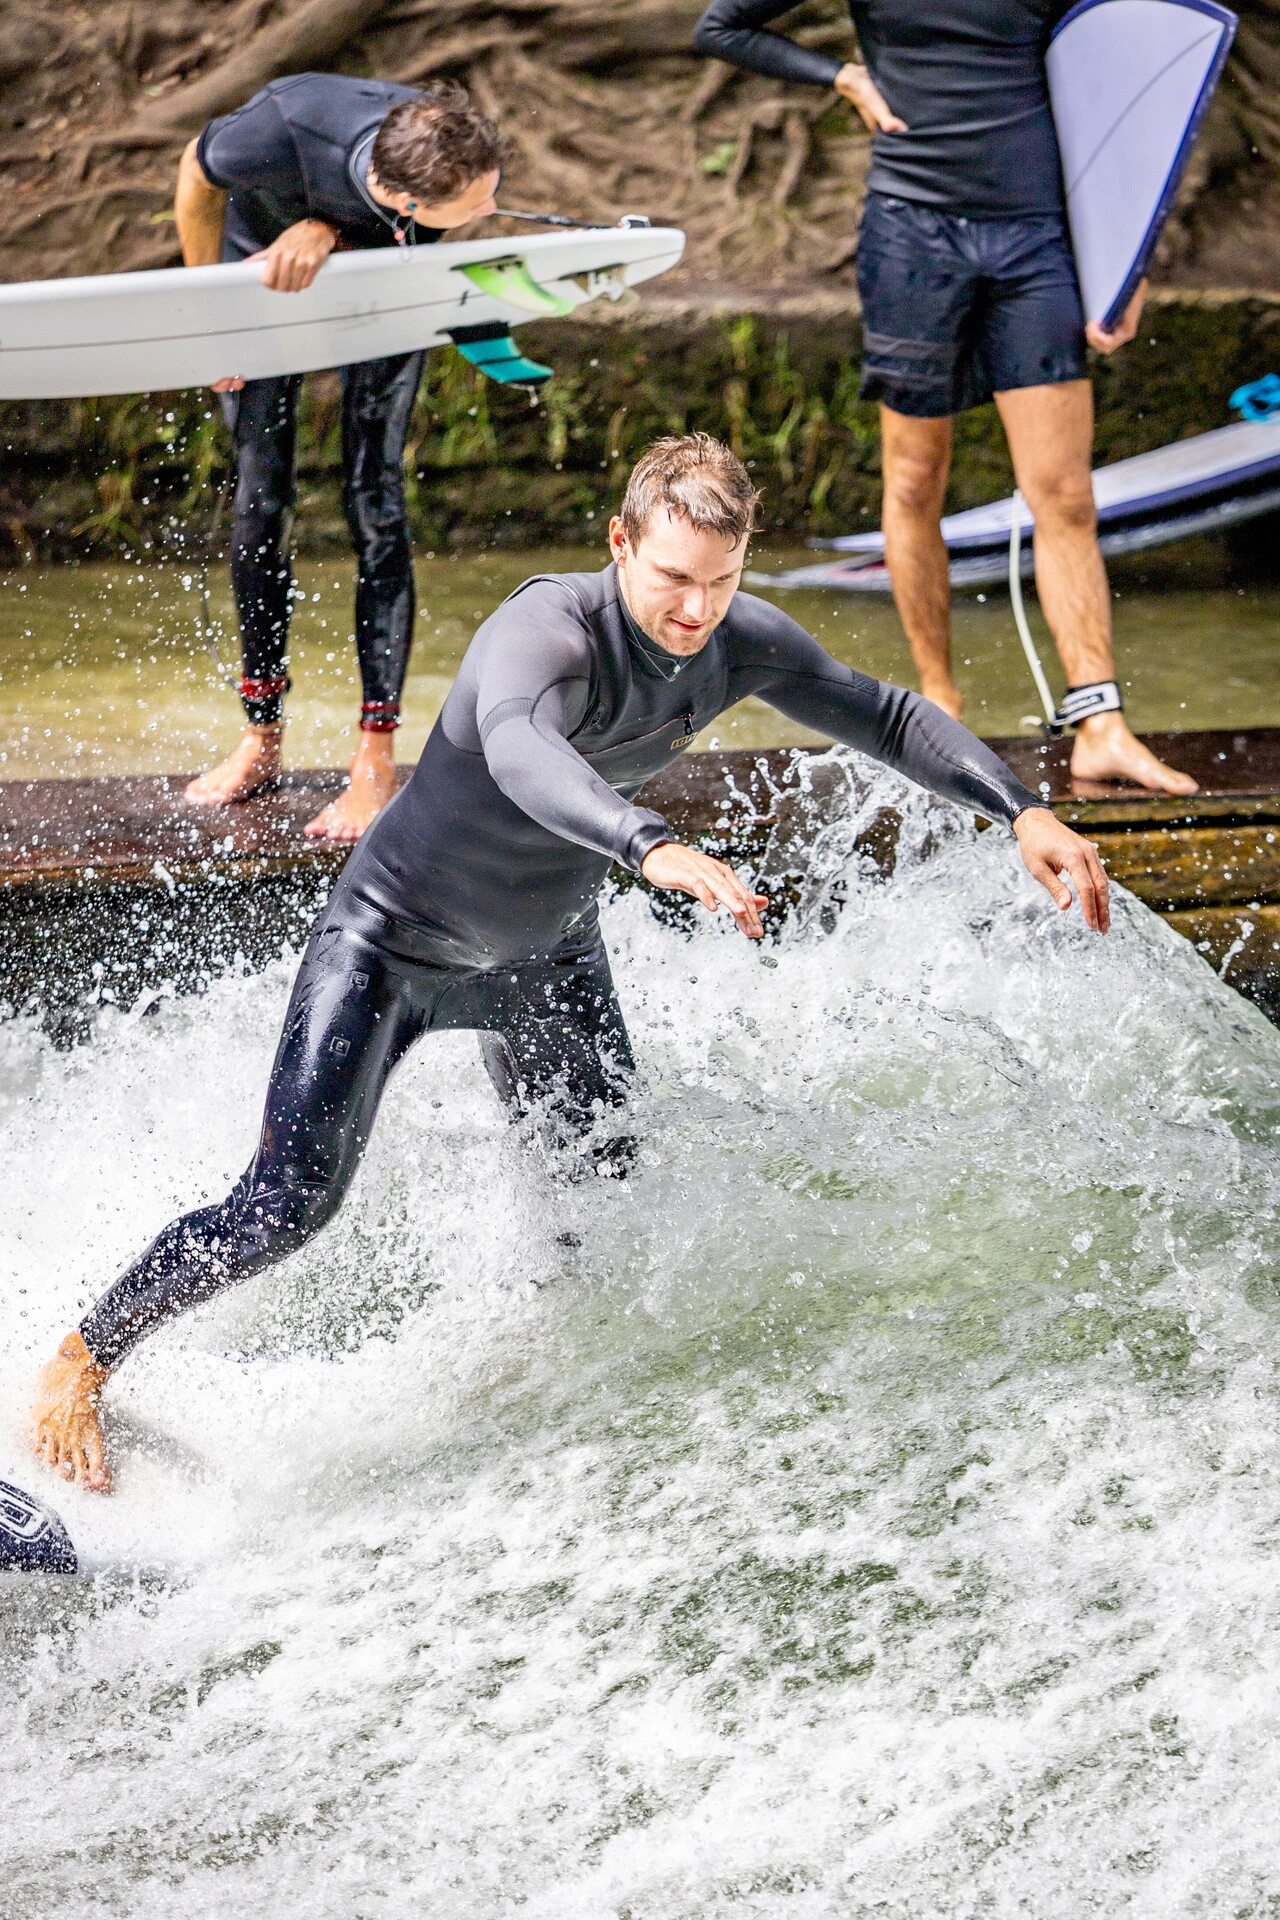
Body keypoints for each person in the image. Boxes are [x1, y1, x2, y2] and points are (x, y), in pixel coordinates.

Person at [28, 434, 1109, 1494]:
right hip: (393, 943)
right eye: (673, 580)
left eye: (719, 585)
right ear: (619, 542)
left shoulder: (736, 638)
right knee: (288, 1205)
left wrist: (1018, 810)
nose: (694, 613)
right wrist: (650, 843)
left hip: (545, 955)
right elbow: (520, 750)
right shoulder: (543, 631)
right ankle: (84, 1356)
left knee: (603, 1201)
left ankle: (560, 1415)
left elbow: (883, 714)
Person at [692, 0, 1198, 797]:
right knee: (913, 481)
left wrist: (1127, 257)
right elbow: (721, 26)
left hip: (1037, 239)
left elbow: (1120, 80)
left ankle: (1100, 725)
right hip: (912, 233)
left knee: (1064, 494)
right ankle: (940, 706)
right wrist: (841, 74)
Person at [175, 75, 504, 840]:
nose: (492, 207)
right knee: (263, 500)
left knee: (375, 502)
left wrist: (332, 232)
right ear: (405, 196)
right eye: (478, 201)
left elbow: (418, 228)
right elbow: (195, 174)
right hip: (263, 277)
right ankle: (260, 736)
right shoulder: (288, 124)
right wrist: (206, 316)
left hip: (386, 286)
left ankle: (375, 759)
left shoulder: (445, 147)